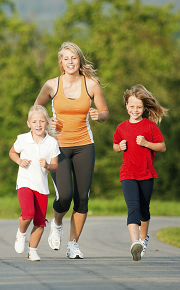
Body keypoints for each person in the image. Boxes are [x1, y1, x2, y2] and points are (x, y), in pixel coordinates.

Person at [34, 42, 109, 259]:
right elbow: (35, 112)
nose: (70, 62)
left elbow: (104, 112)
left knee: (82, 197)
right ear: (61, 62)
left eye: (74, 58)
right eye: (66, 58)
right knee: (65, 196)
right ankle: (56, 223)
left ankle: (73, 244)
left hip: (85, 145)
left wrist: (99, 116)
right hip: (58, 147)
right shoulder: (51, 85)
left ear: (79, 61)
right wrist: (48, 124)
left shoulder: (91, 85)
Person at [112, 84, 168, 261]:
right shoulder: (121, 127)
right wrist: (119, 147)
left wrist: (146, 144)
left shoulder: (150, 127)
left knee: (144, 210)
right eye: (132, 106)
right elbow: (115, 145)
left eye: (138, 107)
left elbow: (162, 147)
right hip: (127, 173)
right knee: (133, 208)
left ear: (144, 108)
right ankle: (135, 243)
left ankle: (143, 239)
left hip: (146, 173)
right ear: (126, 106)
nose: (135, 109)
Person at [9, 105, 60, 261]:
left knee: (39, 221)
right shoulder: (22, 139)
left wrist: (47, 166)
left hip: (42, 187)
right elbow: (12, 152)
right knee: (28, 213)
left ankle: (33, 251)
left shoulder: (52, 142)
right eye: (34, 122)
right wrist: (19, 160)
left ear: (47, 123)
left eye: (42, 121)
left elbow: (55, 166)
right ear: (28, 123)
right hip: (25, 182)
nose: (38, 125)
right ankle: (21, 233)